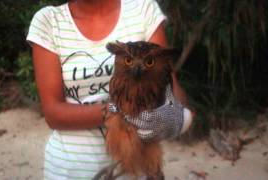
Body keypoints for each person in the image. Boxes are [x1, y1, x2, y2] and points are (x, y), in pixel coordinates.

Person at [26, 0, 194, 179]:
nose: (136, 68)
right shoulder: (49, 20)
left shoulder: (143, 8)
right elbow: (53, 113)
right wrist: (117, 111)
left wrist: (175, 114)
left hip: (138, 168)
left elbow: (170, 85)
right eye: (128, 61)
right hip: (69, 170)